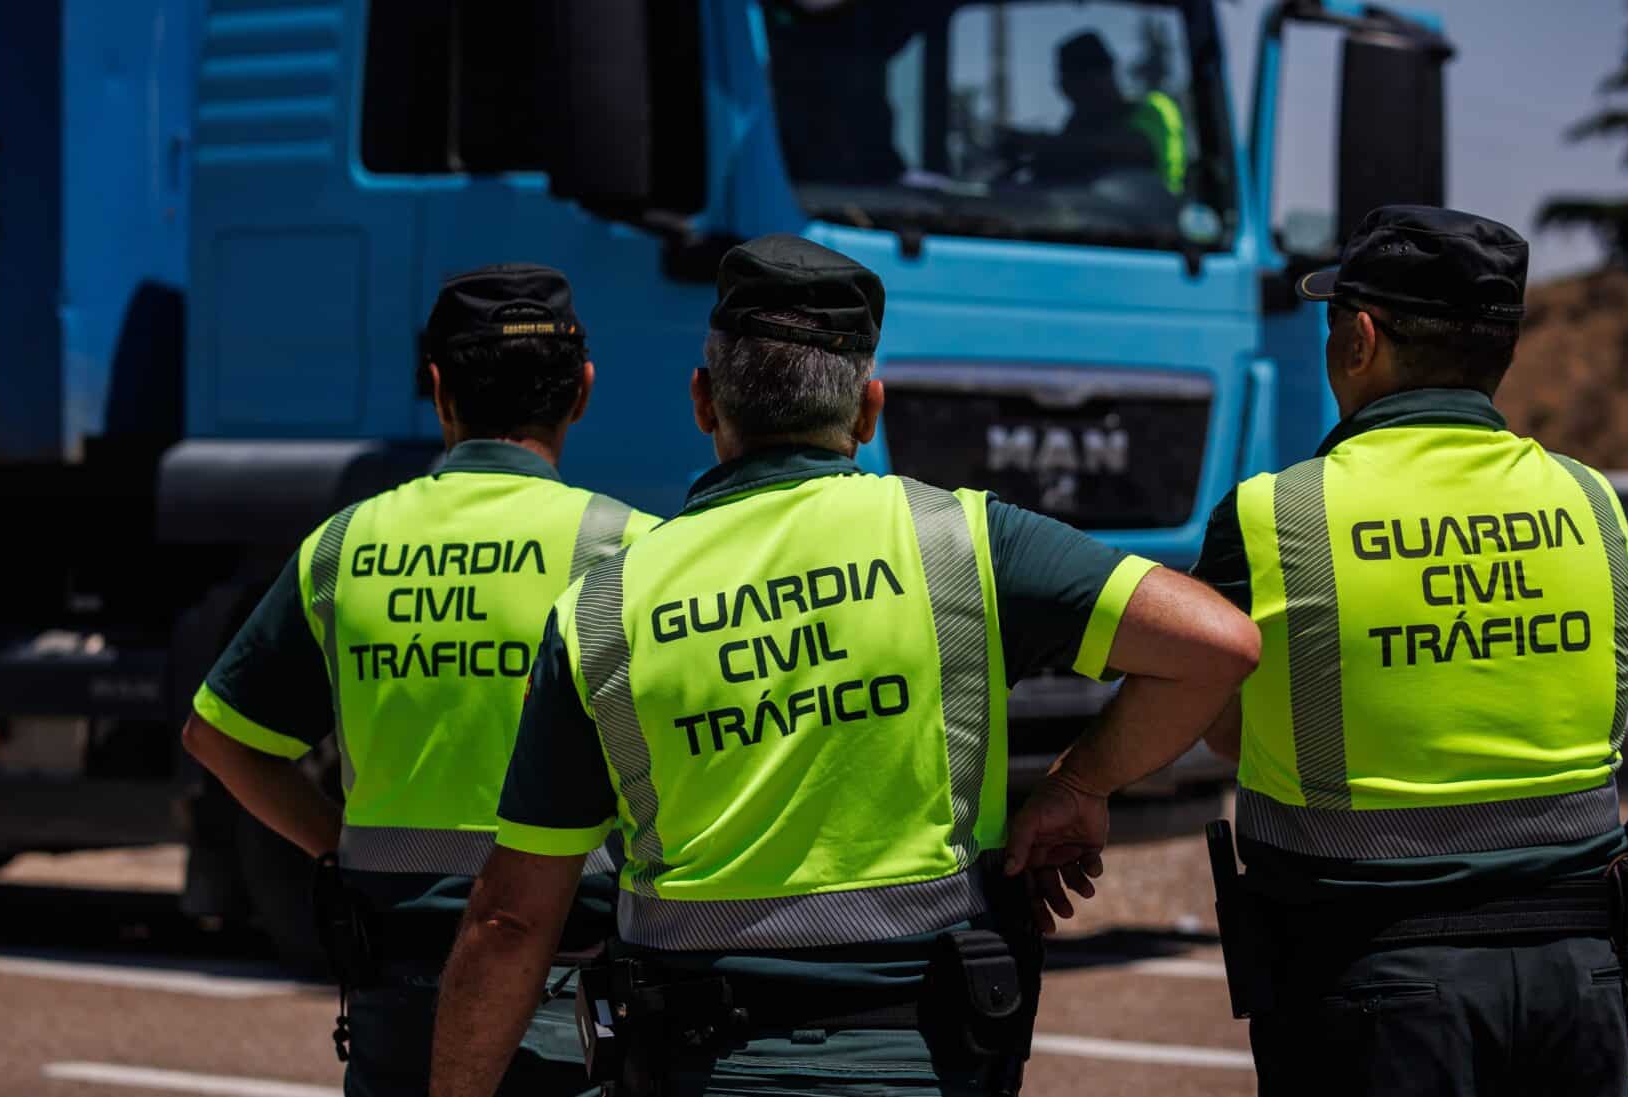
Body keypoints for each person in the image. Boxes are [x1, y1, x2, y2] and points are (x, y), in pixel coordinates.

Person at [429, 234, 1259, 1097]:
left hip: (699, 1068)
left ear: (704, 402)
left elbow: (508, 919)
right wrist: (1082, 782)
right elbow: (1219, 645)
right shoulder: (961, 542)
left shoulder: (604, 606)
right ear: (869, 410)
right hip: (925, 1063)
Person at [1191, 205, 1628, 1096]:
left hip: (1372, 983)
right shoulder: (1596, 505)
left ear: (1360, 338)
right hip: (1582, 979)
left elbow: (1216, 727)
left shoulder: (1273, 516)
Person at [180, 265, 656, 1097]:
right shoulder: (629, 550)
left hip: (393, 992)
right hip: (566, 991)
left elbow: (217, 735)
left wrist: (337, 841)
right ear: (580, 391)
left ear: (436, 389)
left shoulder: (345, 545)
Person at [1017, 30, 1185, 194]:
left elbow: (1135, 148)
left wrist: (1041, 143)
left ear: (1105, 74)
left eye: (1076, 83)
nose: (1067, 92)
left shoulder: (1155, 109)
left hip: (1157, 215)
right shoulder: (1079, 125)